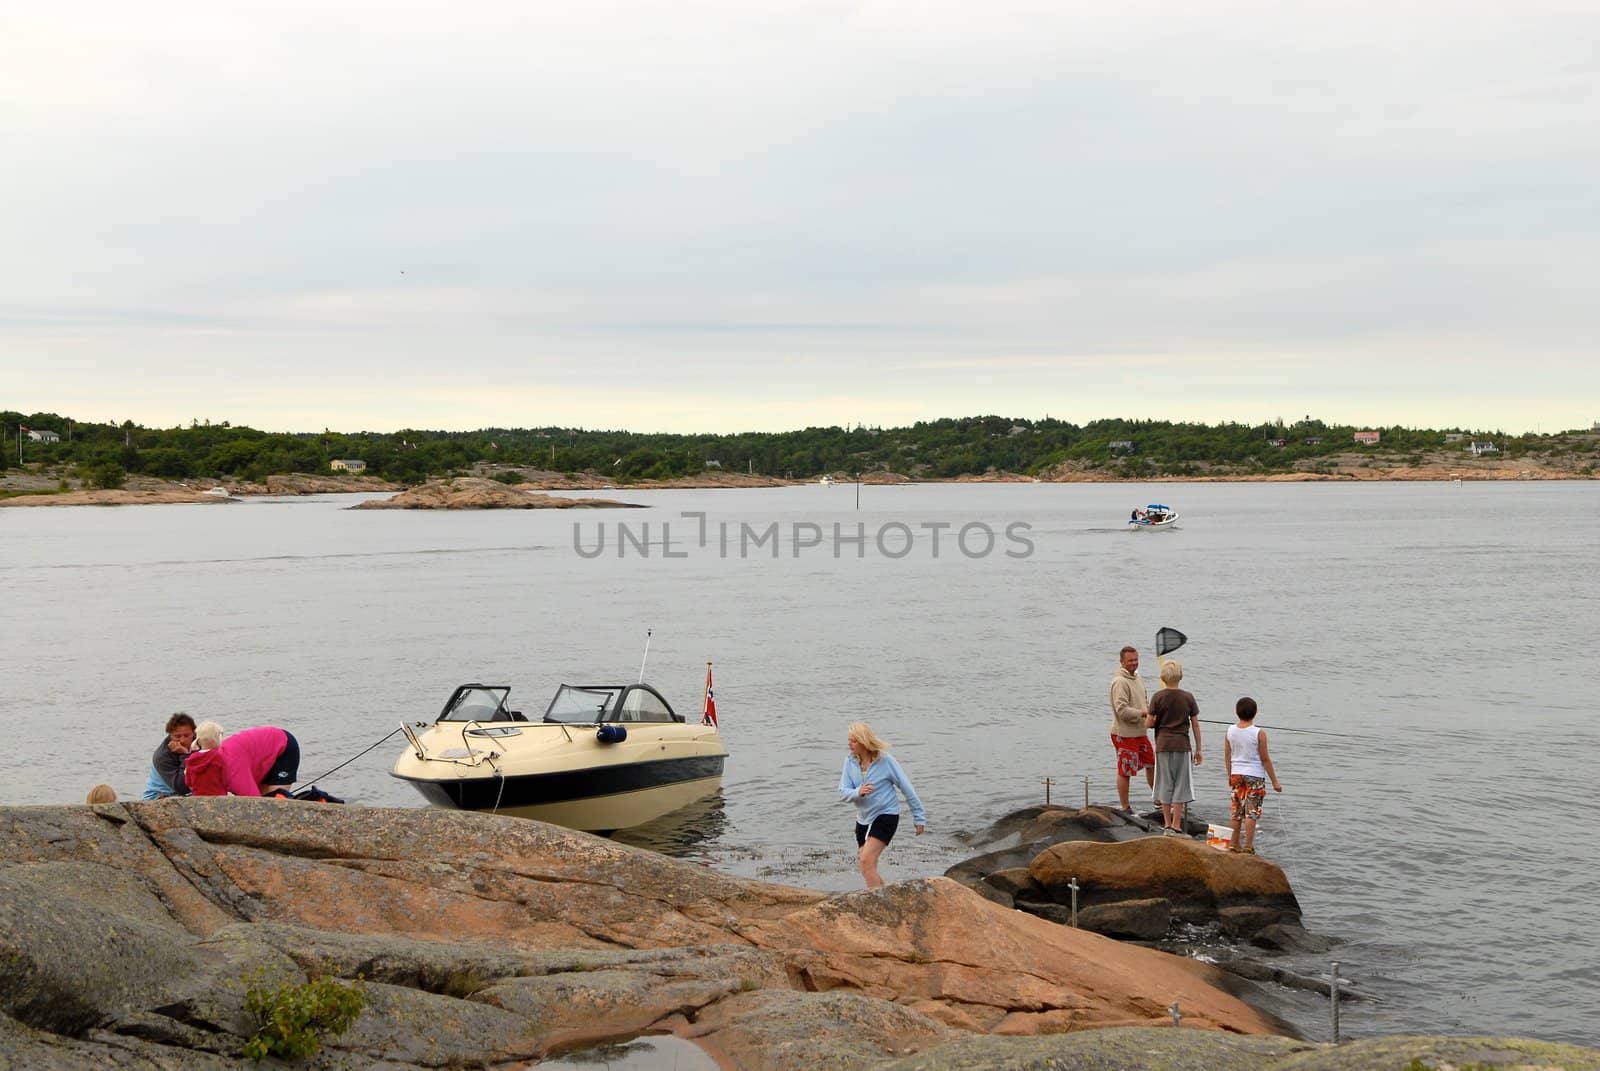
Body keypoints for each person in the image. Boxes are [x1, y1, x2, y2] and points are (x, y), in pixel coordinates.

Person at [838, 722, 926, 888]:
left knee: (866, 861)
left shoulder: (885, 760)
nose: (849, 744)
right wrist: (858, 792)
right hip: (863, 819)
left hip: (886, 815)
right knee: (867, 866)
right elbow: (843, 792)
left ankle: (875, 903)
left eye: (854, 740)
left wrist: (919, 817)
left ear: (864, 742)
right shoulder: (849, 762)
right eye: (849, 740)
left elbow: (906, 787)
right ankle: (885, 897)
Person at [1145, 660, 1202, 835]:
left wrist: (1153, 720)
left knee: (1164, 783)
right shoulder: (1188, 697)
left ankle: (1167, 824)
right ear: (1180, 676)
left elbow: (1148, 723)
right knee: (1180, 785)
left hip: (1163, 745)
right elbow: (1195, 725)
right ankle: (1177, 824)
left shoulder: (1157, 697)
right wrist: (1199, 748)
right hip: (1182, 746)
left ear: (1163, 676)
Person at [1224, 697, 1282, 855]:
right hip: (1254, 775)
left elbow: (1227, 755)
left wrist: (1230, 774)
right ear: (1255, 713)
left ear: (1237, 712)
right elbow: (1265, 758)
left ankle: (1234, 844)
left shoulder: (1230, 731)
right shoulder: (1259, 733)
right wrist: (1275, 782)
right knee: (1252, 811)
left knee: (1236, 811)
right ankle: (1248, 846)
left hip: (1236, 774)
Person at [185, 723, 300, 798]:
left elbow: (255, 802)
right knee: (264, 797)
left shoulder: (233, 774)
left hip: (283, 745)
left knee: (273, 801)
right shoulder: (199, 765)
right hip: (256, 757)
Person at [1109, 645, 1155, 814]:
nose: (1134, 663)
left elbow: (1145, 701)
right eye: (1130, 660)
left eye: (1136, 660)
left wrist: (1152, 713)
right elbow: (1122, 711)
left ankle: (1157, 801)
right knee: (1125, 770)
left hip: (1140, 732)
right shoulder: (1119, 682)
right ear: (1122, 662)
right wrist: (1144, 713)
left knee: (1151, 763)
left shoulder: (1137, 677)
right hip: (1124, 734)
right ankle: (1125, 807)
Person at [142, 712, 197, 800]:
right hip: (159, 795)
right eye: (177, 736)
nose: (182, 740)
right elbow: (182, 787)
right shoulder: (162, 757)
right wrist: (185, 755)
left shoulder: (200, 743)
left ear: (194, 733)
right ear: (170, 735)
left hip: (189, 793)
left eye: (186, 735)